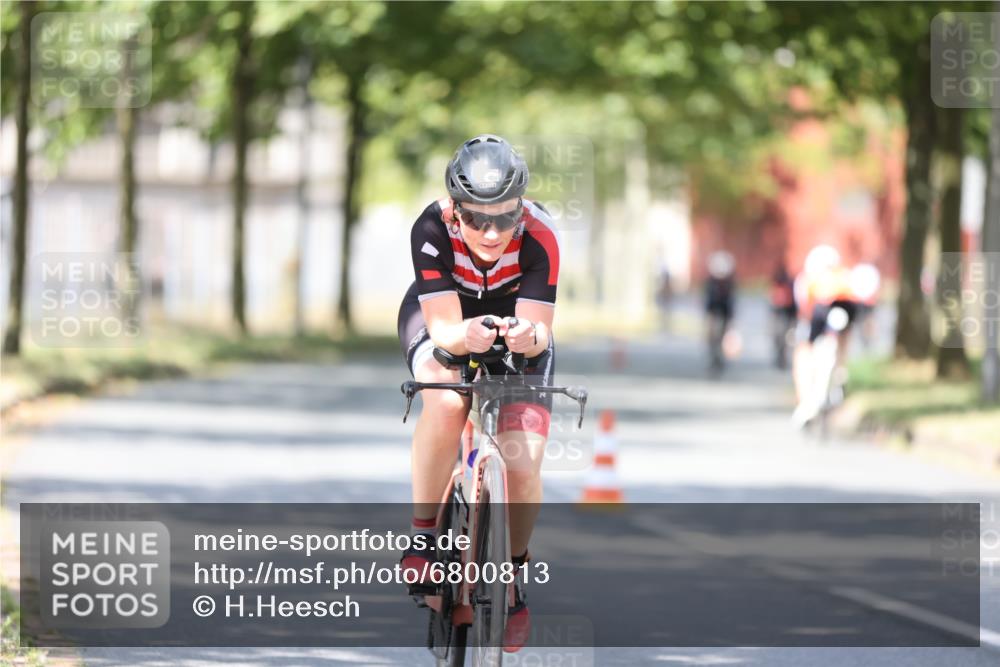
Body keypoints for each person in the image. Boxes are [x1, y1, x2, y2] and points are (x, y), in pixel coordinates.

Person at [396, 134, 560, 652]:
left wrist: (525, 337)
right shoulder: (430, 227)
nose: (491, 232)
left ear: (522, 210)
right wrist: (460, 338)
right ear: (453, 210)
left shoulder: (541, 235)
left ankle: (511, 577)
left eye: (505, 218)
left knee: (525, 459)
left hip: (516, 322)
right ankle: (423, 538)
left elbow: (539, 330)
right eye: (475, 218)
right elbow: (444, 327)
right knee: (445, 399)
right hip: (442, 315)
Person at [791, 244, 858, 426]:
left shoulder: (809, 281)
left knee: (804, 353)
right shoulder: (842, 279)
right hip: (826, 320)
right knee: (813, 350)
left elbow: (804, 313)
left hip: (826, 320)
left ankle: (809, 399)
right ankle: (838, 377)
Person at [704, 251, 736, 374]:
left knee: (721, 336)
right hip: (713, 312)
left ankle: (719, 359)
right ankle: (714, 358)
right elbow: (707, 299)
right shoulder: (711, 282)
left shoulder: (728, 283)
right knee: (712, 337)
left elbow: (731, 301)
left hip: (724, 312)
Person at [770, 262, 797, 369]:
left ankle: (783, 357)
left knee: (785, 335)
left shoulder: (791, 283)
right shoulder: (778, 283)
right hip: (779, 312)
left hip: (788, 312)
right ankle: (780, 356)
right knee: (779, 335)